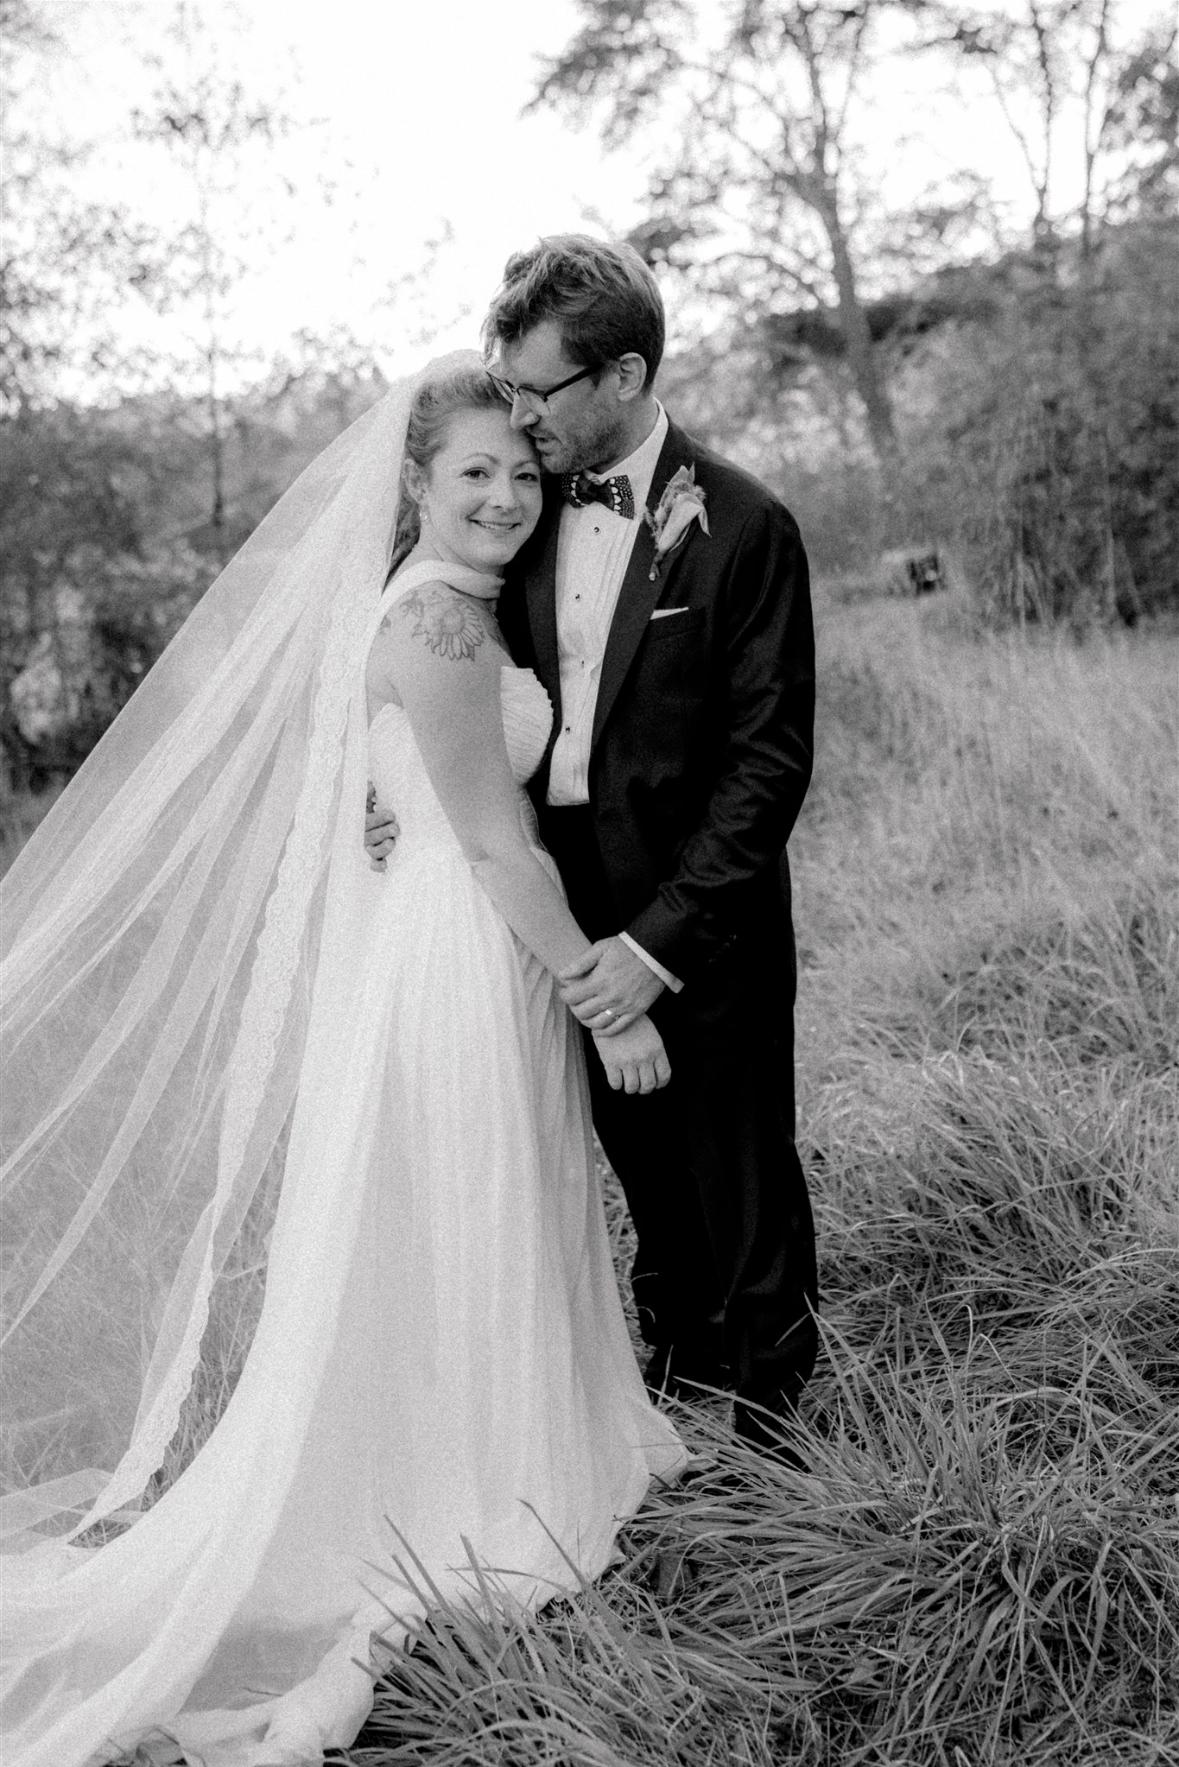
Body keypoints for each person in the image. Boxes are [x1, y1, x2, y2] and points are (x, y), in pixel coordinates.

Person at [0, 356, 685, 1767]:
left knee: (459, 1224)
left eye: (522, 471)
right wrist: (607, 1001)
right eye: (472, 473)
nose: (505, 496)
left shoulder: (438, 608)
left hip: (447, 947)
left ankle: (491, 1450)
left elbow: (410, 801)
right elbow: (493, 845)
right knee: (471, 1215)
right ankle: (476, 1483)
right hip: (464, 955)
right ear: (415, 484)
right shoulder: (435, 622)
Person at [369, 237, 819, 1455]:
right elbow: (425, 672)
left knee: (738, 1161)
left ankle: (780, 1434)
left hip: (698, 908)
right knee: (628, 1164)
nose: (519, 420)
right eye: (508, 393)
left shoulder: (745, 525)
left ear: (621, 376)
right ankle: (668, 1383)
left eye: (538, 392)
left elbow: (768, 767)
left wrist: (659, 946)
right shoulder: (519, 510)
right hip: (549, 897)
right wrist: (387, 788)